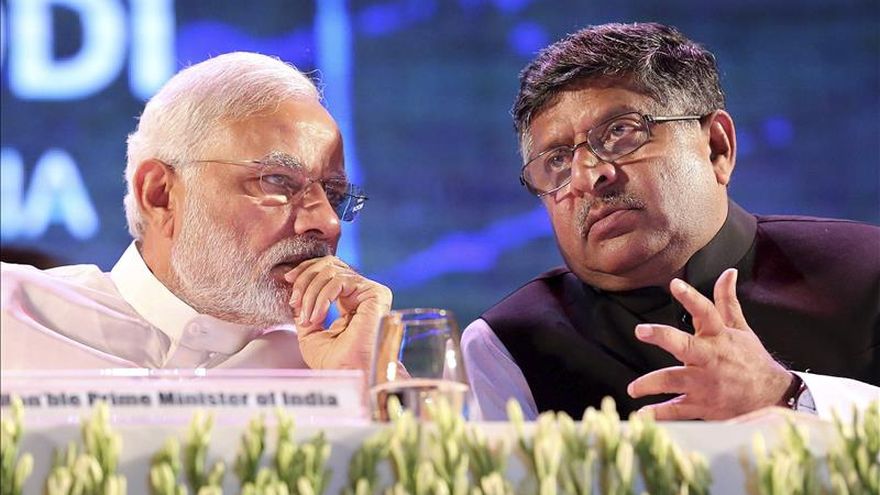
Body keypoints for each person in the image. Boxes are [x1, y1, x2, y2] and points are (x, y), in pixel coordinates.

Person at [462, 22, 879, 421]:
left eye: (621, 132)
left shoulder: (867, 271)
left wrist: (788, 397)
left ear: (716, 147)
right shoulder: (510, 344)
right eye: (556, 160)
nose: (588, 176)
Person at [1, 52, 392, 371]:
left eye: (334, 194)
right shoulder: (14, 315)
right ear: (160, 195)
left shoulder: (327, 364)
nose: (327, 222)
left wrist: (366, 379)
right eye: (277, 182)